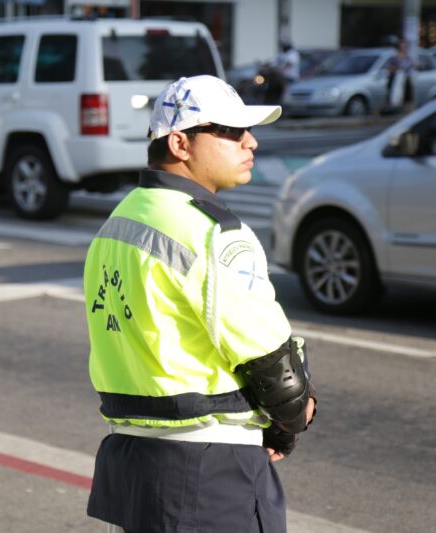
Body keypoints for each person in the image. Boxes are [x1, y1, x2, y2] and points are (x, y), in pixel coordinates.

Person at [84, 75, 317, 533]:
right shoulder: (214, 233)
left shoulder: (119, 220)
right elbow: (273, 364)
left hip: (131, 464)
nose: (250, 141)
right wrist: (293, 418)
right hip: (209, 472)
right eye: (230, 132)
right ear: (180, 143)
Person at [386, 39, 414, 113]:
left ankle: (408, 112)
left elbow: (411, 65)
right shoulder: (394, 57)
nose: (403, 48)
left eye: (404, 46)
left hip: (406, 78)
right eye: (401, 46)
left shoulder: (408, 56)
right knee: (395, 96)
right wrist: (397, 68)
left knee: (408, 97)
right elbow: (389, 68)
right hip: (397, 79)